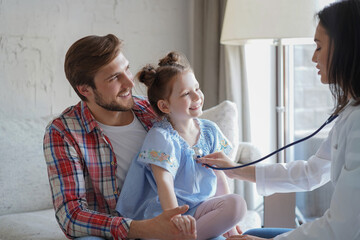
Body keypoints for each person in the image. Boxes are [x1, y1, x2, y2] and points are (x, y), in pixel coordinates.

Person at [198, 0, 360, 239]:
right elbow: (311, 173)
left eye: (319, 47)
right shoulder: (350, 113)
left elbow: (341, 229)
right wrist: (236, 170)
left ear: (344, 48)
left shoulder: (357, 123)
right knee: (253, 232)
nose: (313, 58)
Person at [43, 34, 198, 240]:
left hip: (178, 223)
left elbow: (195, 154)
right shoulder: (63, 132)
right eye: (114, 77)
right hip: (115, 232)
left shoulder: (154, 111)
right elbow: (71, 216)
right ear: (85, 90)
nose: (130, 83)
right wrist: (143, 228)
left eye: (126, 69)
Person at [116, 52, 247, 239]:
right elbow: (165, 183)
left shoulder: (210, 131)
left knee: (236, 204)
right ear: (165, 106)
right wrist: (175, 221)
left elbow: (219, 179)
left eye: (197, 88)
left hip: (200, 210)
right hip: (169, 216)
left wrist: (231, 228)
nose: (197, 96)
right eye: (186, 93)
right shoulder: (162, 137)